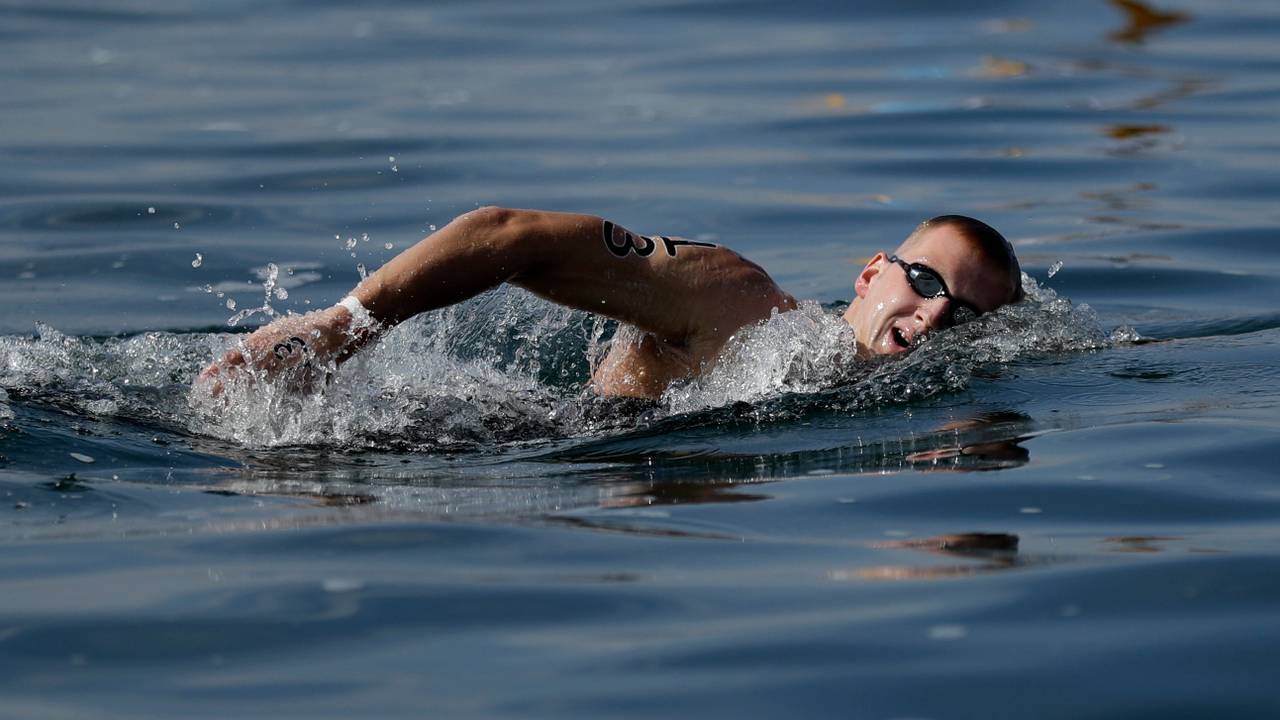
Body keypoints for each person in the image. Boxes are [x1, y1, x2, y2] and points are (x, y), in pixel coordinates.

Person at [196, 207, 1022, 400]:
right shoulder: (739, 302)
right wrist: (342, 328)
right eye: (924, 280)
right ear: (872, 272)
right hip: (463, 453)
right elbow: (508, 233)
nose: (936, 316)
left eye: (967, 315)